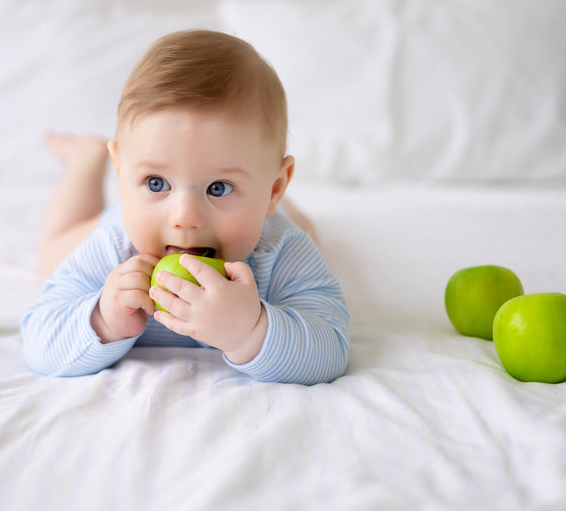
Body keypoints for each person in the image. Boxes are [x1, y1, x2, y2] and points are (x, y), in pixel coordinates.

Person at [20, 30, 350, 385]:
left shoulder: (282, 251)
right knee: (51, 255)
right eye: (156, 183)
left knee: (307, 232)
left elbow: (331, 346)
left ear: (275, 187)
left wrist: (250, 331)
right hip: (124, 221)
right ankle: (85, 160)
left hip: (271, 215)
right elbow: (39, 340)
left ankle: (280, 204)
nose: (185, 218)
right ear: (122, 173)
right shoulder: (114, 249)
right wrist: (102, 319)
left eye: (218, 187)